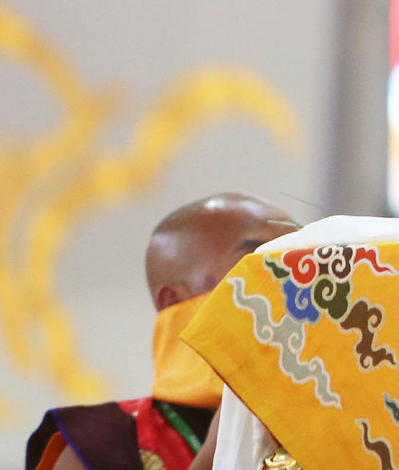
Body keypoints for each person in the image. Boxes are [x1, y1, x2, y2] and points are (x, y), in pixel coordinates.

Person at [28, 194, 299, 470]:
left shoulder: (318, 424)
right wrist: (215, 456)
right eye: (258, 264)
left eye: (303, 264)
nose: (293, 283)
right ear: (173, 301)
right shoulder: (103, 444)